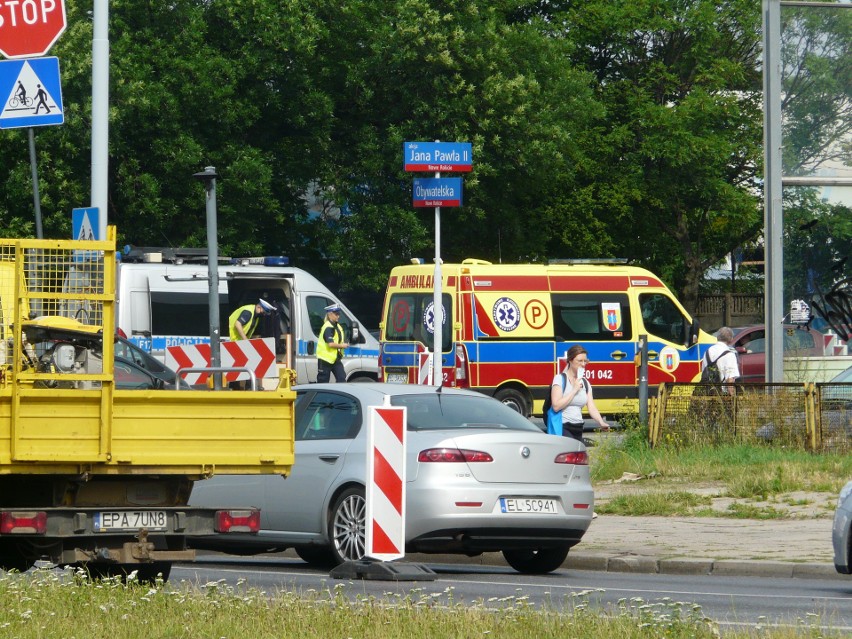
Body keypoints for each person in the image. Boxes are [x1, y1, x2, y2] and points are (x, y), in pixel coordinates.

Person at [550, 344, 609, 442]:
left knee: (578, 456)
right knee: (570, 454)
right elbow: (556, 406)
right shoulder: (560, 379)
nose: (583, 364)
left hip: (578, 427)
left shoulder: (585, 382)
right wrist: (574, 390)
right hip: (563, 426)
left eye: (585, 361)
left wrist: (601, 422)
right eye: (580, 361)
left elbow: (591, 407)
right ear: (570, 360)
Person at [316, 303, 347, 383]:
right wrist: (342, 346)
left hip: (335, 359)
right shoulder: (328, 327)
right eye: (336, 314)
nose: (338, 316)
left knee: (342, 379)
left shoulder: (337, 326)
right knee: (323, 382)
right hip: (325, 359)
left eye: (339, 314)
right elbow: (331, 344)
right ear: (330, 314)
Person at [704, 326, 740, 393]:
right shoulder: (730, 354)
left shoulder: (708, 351)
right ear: (731, 339)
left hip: (707, 392)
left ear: (717, 337)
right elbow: (730, 379)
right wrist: (732, 397)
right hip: (722, 394)